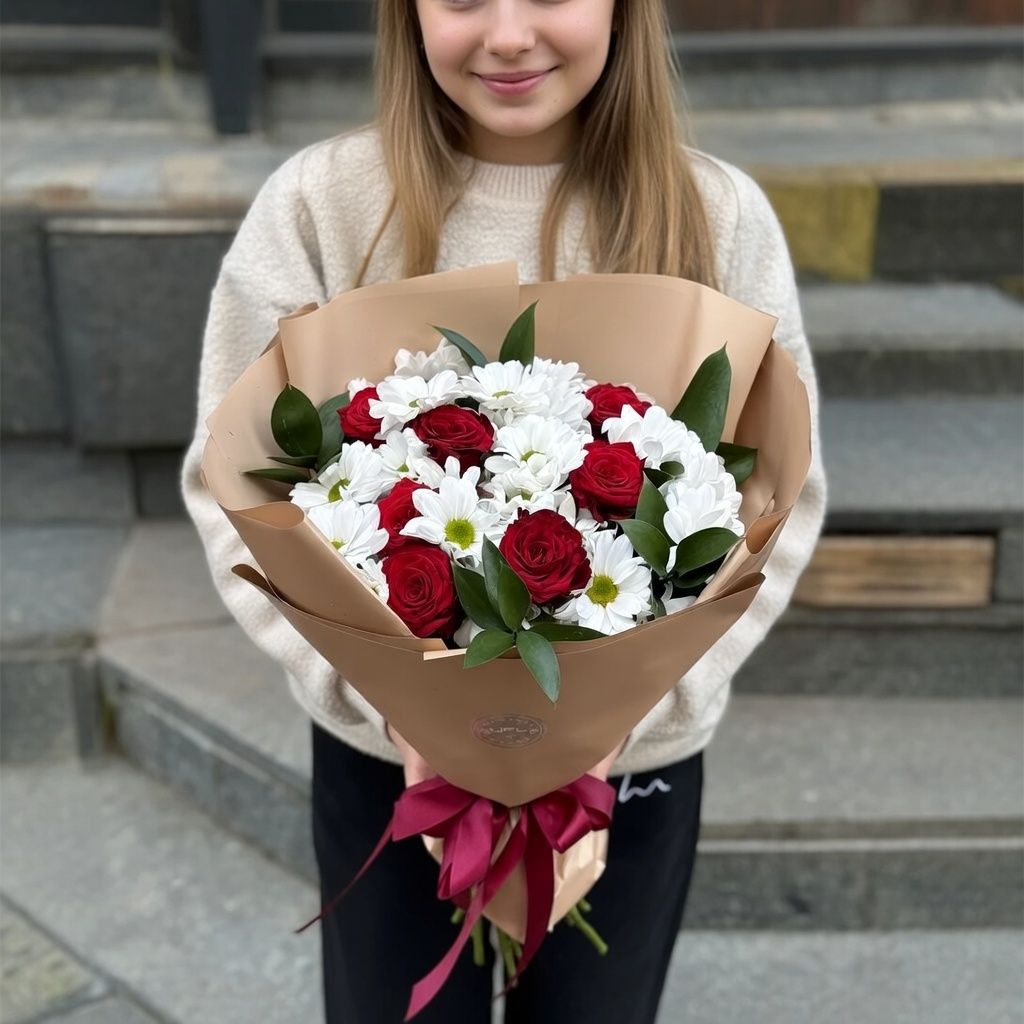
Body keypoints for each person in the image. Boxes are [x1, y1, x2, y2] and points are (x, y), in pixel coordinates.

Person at [180, 0, 827, 1017]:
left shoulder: (716, 214)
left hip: (629, 768)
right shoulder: (322, 204)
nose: (511, 34)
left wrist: (620, 714)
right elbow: (234, 489)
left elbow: (778, 503)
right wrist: (391, 707)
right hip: (387, 763)